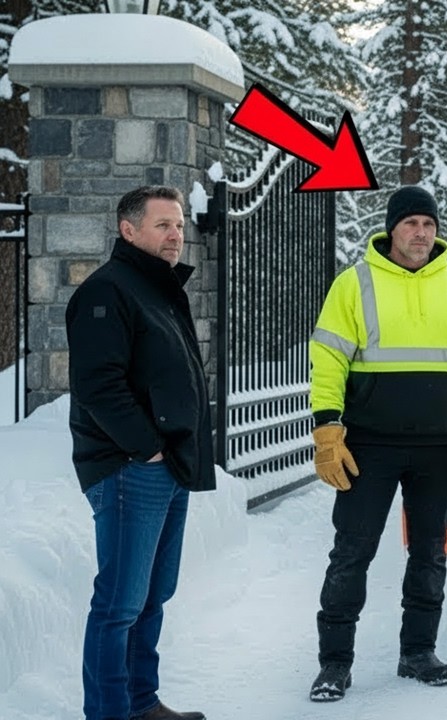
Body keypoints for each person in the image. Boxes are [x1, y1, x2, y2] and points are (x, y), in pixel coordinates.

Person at [306, 185, 447, 702]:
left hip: (438, 446)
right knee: (352, 551)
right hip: (369, 445)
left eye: (429, 224)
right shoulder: (355, 285)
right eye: (412, 223)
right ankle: (334, 664)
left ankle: (418, 652)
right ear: (392, 229)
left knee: (430, 551)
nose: (421, 232)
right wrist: (328, 425)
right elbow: (328, 356)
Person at [67, 186, 214, 720]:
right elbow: (97, 384)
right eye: (162, 225)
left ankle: (140, 702)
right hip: (131, 468)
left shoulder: (154, 288)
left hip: (165, 465)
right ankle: (108, 712)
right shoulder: (108, 291)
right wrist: (146, 449)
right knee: (120, 604)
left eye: (178, 225)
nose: (176, 234)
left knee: (152, 597)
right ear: (129, 230)